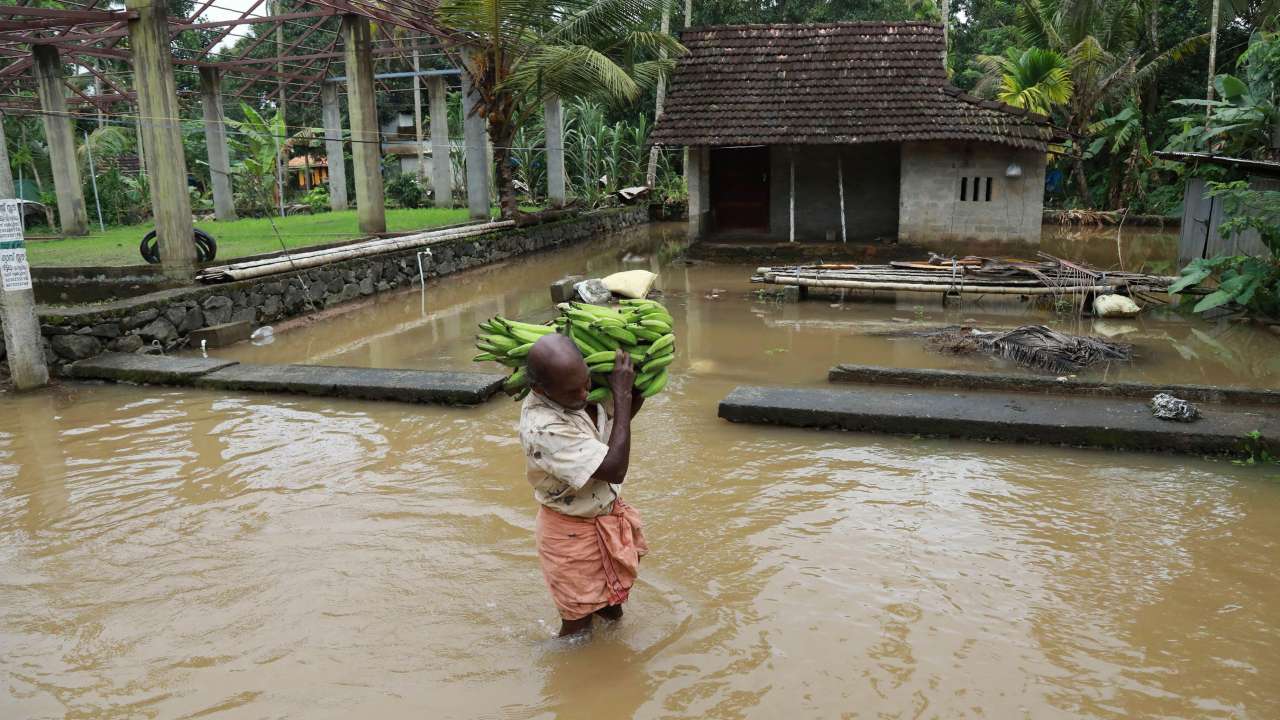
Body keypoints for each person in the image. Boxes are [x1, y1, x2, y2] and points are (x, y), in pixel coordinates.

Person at [519, 333, 647, 637]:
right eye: (572, 389)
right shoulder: (544, 427)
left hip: (604, 516)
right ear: (540, 389)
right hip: (571, 531)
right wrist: (622, 395)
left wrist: (632, 390)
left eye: (587, 382)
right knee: (578, 629)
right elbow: (614, 469)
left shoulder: (579, 392)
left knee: (613, 609)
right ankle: (568, 674)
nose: (584, 393)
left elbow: (619, 421)